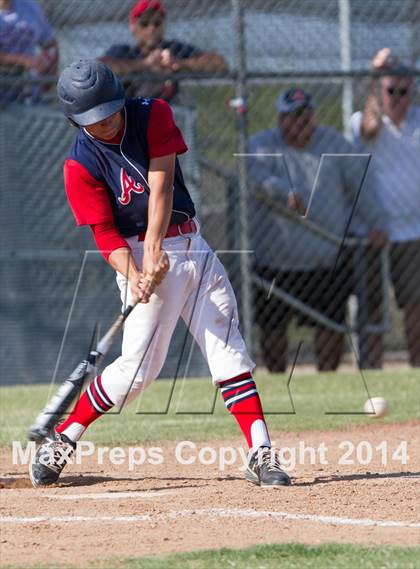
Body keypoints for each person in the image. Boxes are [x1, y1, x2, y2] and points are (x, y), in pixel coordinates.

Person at [29, 59, 290, 489]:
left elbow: (162, 184)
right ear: (76, 121)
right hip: (133, 252)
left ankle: (261, 452)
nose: (109, 122)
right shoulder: (80, 165)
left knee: (228, 349)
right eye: (96, 119)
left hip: (190, 245)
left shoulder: (153, 114)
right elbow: (104, 234)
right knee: (136, 373)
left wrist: (156, 248)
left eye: (112, 110)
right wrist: (135, 271)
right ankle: (64, 438)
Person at [247, 88, 387, 372]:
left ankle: (328, 379)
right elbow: (254, 177)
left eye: (306, 115)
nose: (301, 122)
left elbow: (360, 185)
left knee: (331, 325)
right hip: (275, 262)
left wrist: (377, 223)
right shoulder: (261, 144)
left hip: (325, 259)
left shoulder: (333, 143)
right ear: (280, 118)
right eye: (293, 116)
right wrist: (283, 192)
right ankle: (275, 382)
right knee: (272, 329)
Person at [349, 48, 420, 368]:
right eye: (391, 90)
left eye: (404, 91)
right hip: (373, 232)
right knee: (373, 308)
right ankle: (371, 371)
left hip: (413, 233)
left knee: (416, 306)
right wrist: (376, 75)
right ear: (381, 91)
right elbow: (369, 127)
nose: (398, 98)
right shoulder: (366, 122)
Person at [100, 0, 228, 101]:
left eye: (157, 23)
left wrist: (180, 63)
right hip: (131, 117)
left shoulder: (174, 49)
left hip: (170, 116)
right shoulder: (125, 52)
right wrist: (145, 64)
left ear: (163, 25)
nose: (151, 29)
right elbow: (99, 69)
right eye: (145, 23)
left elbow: (220, 63)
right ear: (133, 26)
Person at [0, 0, 58, 103]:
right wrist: (23, 61)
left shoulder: (29, 7)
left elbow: (50, 44)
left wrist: (48, 75)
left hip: (29, 86)